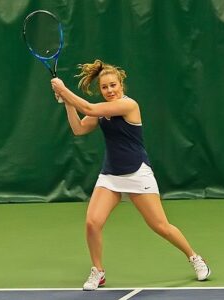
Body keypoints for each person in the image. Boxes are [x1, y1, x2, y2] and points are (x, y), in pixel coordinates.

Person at [51, 59, 211, 291]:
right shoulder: (102, 110)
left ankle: (195, 257)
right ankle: (98, 271)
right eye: (105, 87)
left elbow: (89, 109)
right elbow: (79, 128)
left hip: (137, 172)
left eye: (113, 85)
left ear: (121, 85)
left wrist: (63, 90)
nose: (109, 90)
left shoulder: (129, 105)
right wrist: (66, 102)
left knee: (160, 226)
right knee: (92, 222)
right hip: (111, 175)